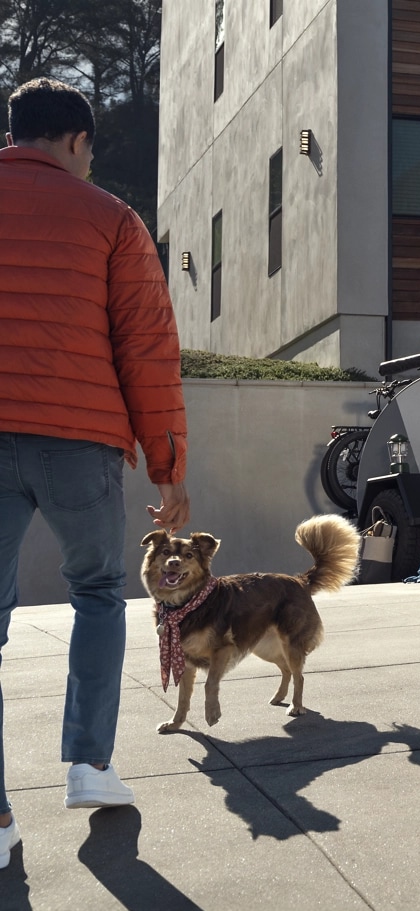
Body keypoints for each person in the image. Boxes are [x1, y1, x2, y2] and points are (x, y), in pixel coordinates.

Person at [1, 78, 190, 869]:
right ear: (76, 141)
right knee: (99, 594)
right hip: (80, 440)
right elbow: (147, 348)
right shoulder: (112, 219)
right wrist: (168, 467)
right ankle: (89, 765)